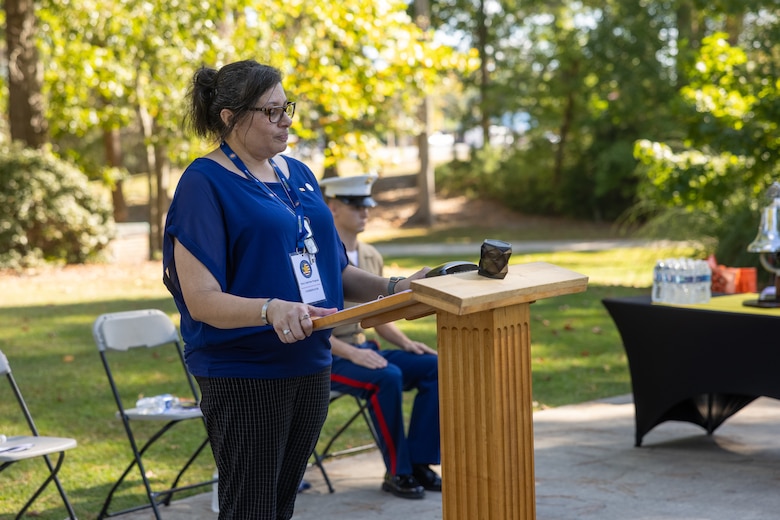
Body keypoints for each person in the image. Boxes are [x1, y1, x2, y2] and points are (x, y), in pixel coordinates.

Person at [161, 60, 429, 520]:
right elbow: (202, 300)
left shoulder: (299, 175)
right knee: (251, 509)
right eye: (271, 111)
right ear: (229, 117)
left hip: (310, 362)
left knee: (281, 506)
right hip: (245, 373)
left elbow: (335, 272)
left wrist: (397, 286)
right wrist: (270, 310)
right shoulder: (203, 183)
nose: (286, 119)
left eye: (287, 107)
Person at [320, 174, 442, 500]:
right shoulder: (315, 255)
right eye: (355, 205)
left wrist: (405, 343)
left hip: (364, 348)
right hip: (328, 356)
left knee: (434, 366)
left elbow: (379, 314)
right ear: (331, 206)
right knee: (387, 377)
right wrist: (352, 353)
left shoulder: (371, 255)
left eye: (367, 205)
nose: (365, 212)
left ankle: (419, 462)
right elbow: (310, 324)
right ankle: (397, 472)